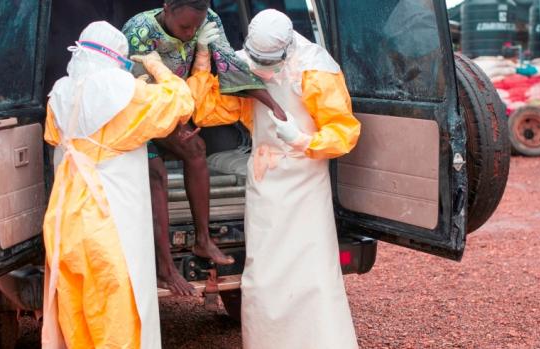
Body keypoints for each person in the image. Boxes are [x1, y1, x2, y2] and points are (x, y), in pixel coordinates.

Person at [187, 9, 361, 348]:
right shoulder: (242, 63)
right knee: (264, 275)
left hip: (305, 178)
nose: (262, 69)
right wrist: (203, 62)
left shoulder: (315, 68)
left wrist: (302, 140)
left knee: (311, 272)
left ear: (287, 48)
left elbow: (345, 132)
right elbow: (208, 112)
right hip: (265, 180)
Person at [41, 21, 194, 348]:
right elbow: (181, 103)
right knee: (117, 318)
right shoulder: (129, 95)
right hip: (110, 225)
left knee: (76, 314)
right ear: (118, 59)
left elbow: (57, 134)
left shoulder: (61, 92)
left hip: (64, 220)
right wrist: (157, 67)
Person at [121, 0, 288, 295]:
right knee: (156, 174)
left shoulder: (208, 18)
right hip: (138, 110)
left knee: (196, 149)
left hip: (176, 106)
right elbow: (140, 92)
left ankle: (203, 239)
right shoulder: (140, 31)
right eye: (185, 27)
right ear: (167, 7)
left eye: (195, 27)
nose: (190, 33)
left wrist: (271, 102)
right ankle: (165, 267)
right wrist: (176, 122)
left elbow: (227, 63)